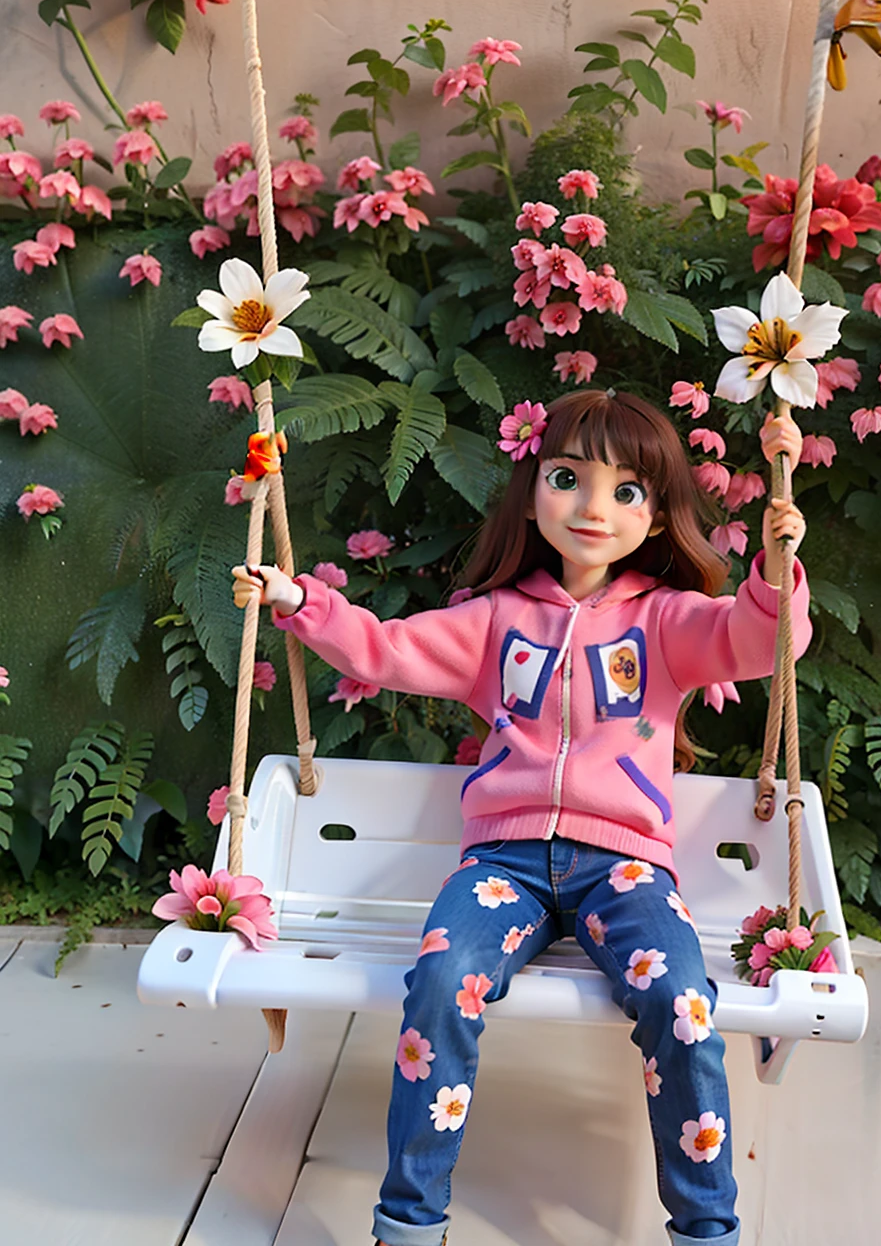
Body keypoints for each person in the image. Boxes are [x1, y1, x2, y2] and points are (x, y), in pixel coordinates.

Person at [232, 388, 811, 1246]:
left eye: (625, 491)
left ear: (656, 519)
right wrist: (300, 601)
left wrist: (773, 572)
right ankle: (409, 1221)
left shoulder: (666, 622)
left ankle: (706, 1227)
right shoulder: (496, 621)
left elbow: (759, 643)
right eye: (567, 478)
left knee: (685, 1002)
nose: (590, 508)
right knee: (438, 981)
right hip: (502, 864)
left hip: (625, 864)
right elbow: (389, 650)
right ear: (534, 489)